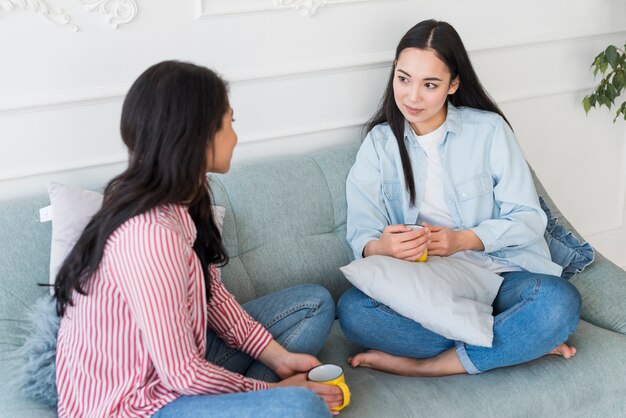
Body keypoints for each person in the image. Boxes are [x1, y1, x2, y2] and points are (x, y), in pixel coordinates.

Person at [54, 61, 342, 417]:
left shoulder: (184, 198)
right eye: (230, 123)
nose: (235, 137)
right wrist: (270, 390)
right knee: (302, 407)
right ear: (197, 134)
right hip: (134, 406)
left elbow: (211, 295)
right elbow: (183, 373)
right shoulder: (150, 235)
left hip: (172, 371)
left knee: (314, 304)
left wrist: (278, 358)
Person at [337, 20, 582, 377]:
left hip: (502, 274)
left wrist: (461, 240)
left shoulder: (490, 131)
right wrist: (384, 249)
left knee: (558, 304)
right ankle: (519, 342)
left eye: (430, 84)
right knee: (355, 312)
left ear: (453, 84)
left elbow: (529, 218)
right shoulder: (379, 144)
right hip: (431, 282)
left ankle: (433, 366)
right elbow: (361, 233)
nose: (412, 96)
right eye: (403, 79)